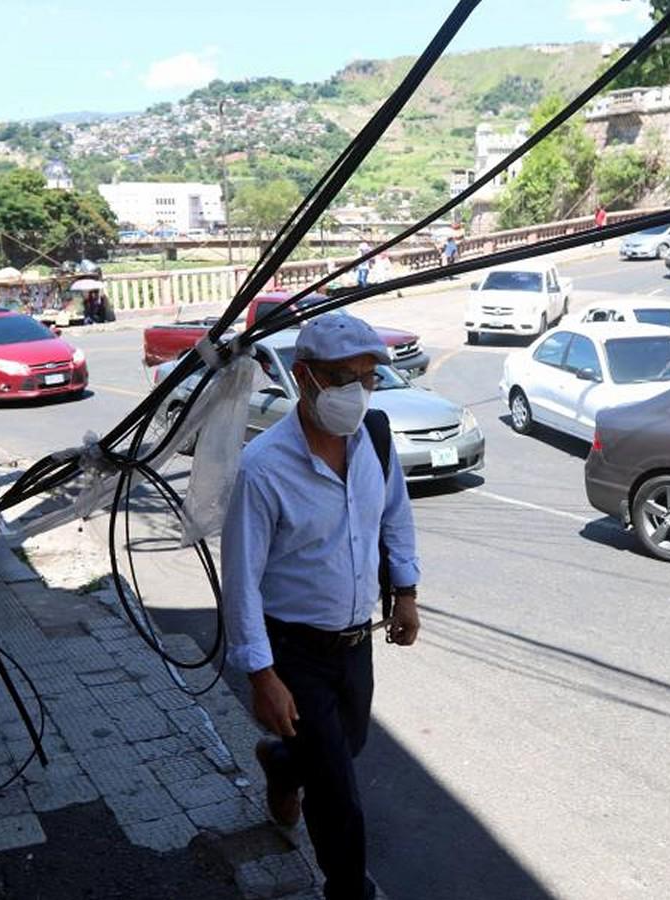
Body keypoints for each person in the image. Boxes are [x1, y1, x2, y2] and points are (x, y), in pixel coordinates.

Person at [222, 314, 421, 900]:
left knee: (347, 745)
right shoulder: (263, 470)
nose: (357, 393)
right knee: (338, 788)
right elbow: (240, 582)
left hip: (355, 641)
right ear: (304, 377)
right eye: (342, 379)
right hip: (294, 651)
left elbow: (395, 516)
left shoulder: (375, 439)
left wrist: (405, 593)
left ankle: (283, 762)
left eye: (368, 378)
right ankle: (347, 888)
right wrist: (262, 675)